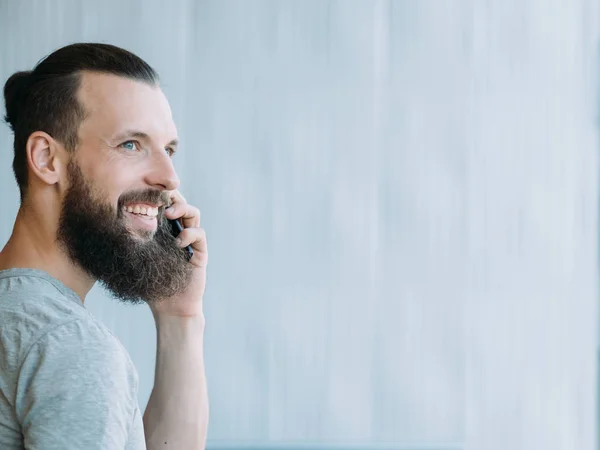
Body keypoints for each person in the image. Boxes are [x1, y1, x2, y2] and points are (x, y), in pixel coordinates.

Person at [0, 43, 209, 449]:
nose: (169, 178)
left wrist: (181, 316)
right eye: (131, 144)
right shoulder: (68, 345)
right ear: (46, 159)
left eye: (168, 150)